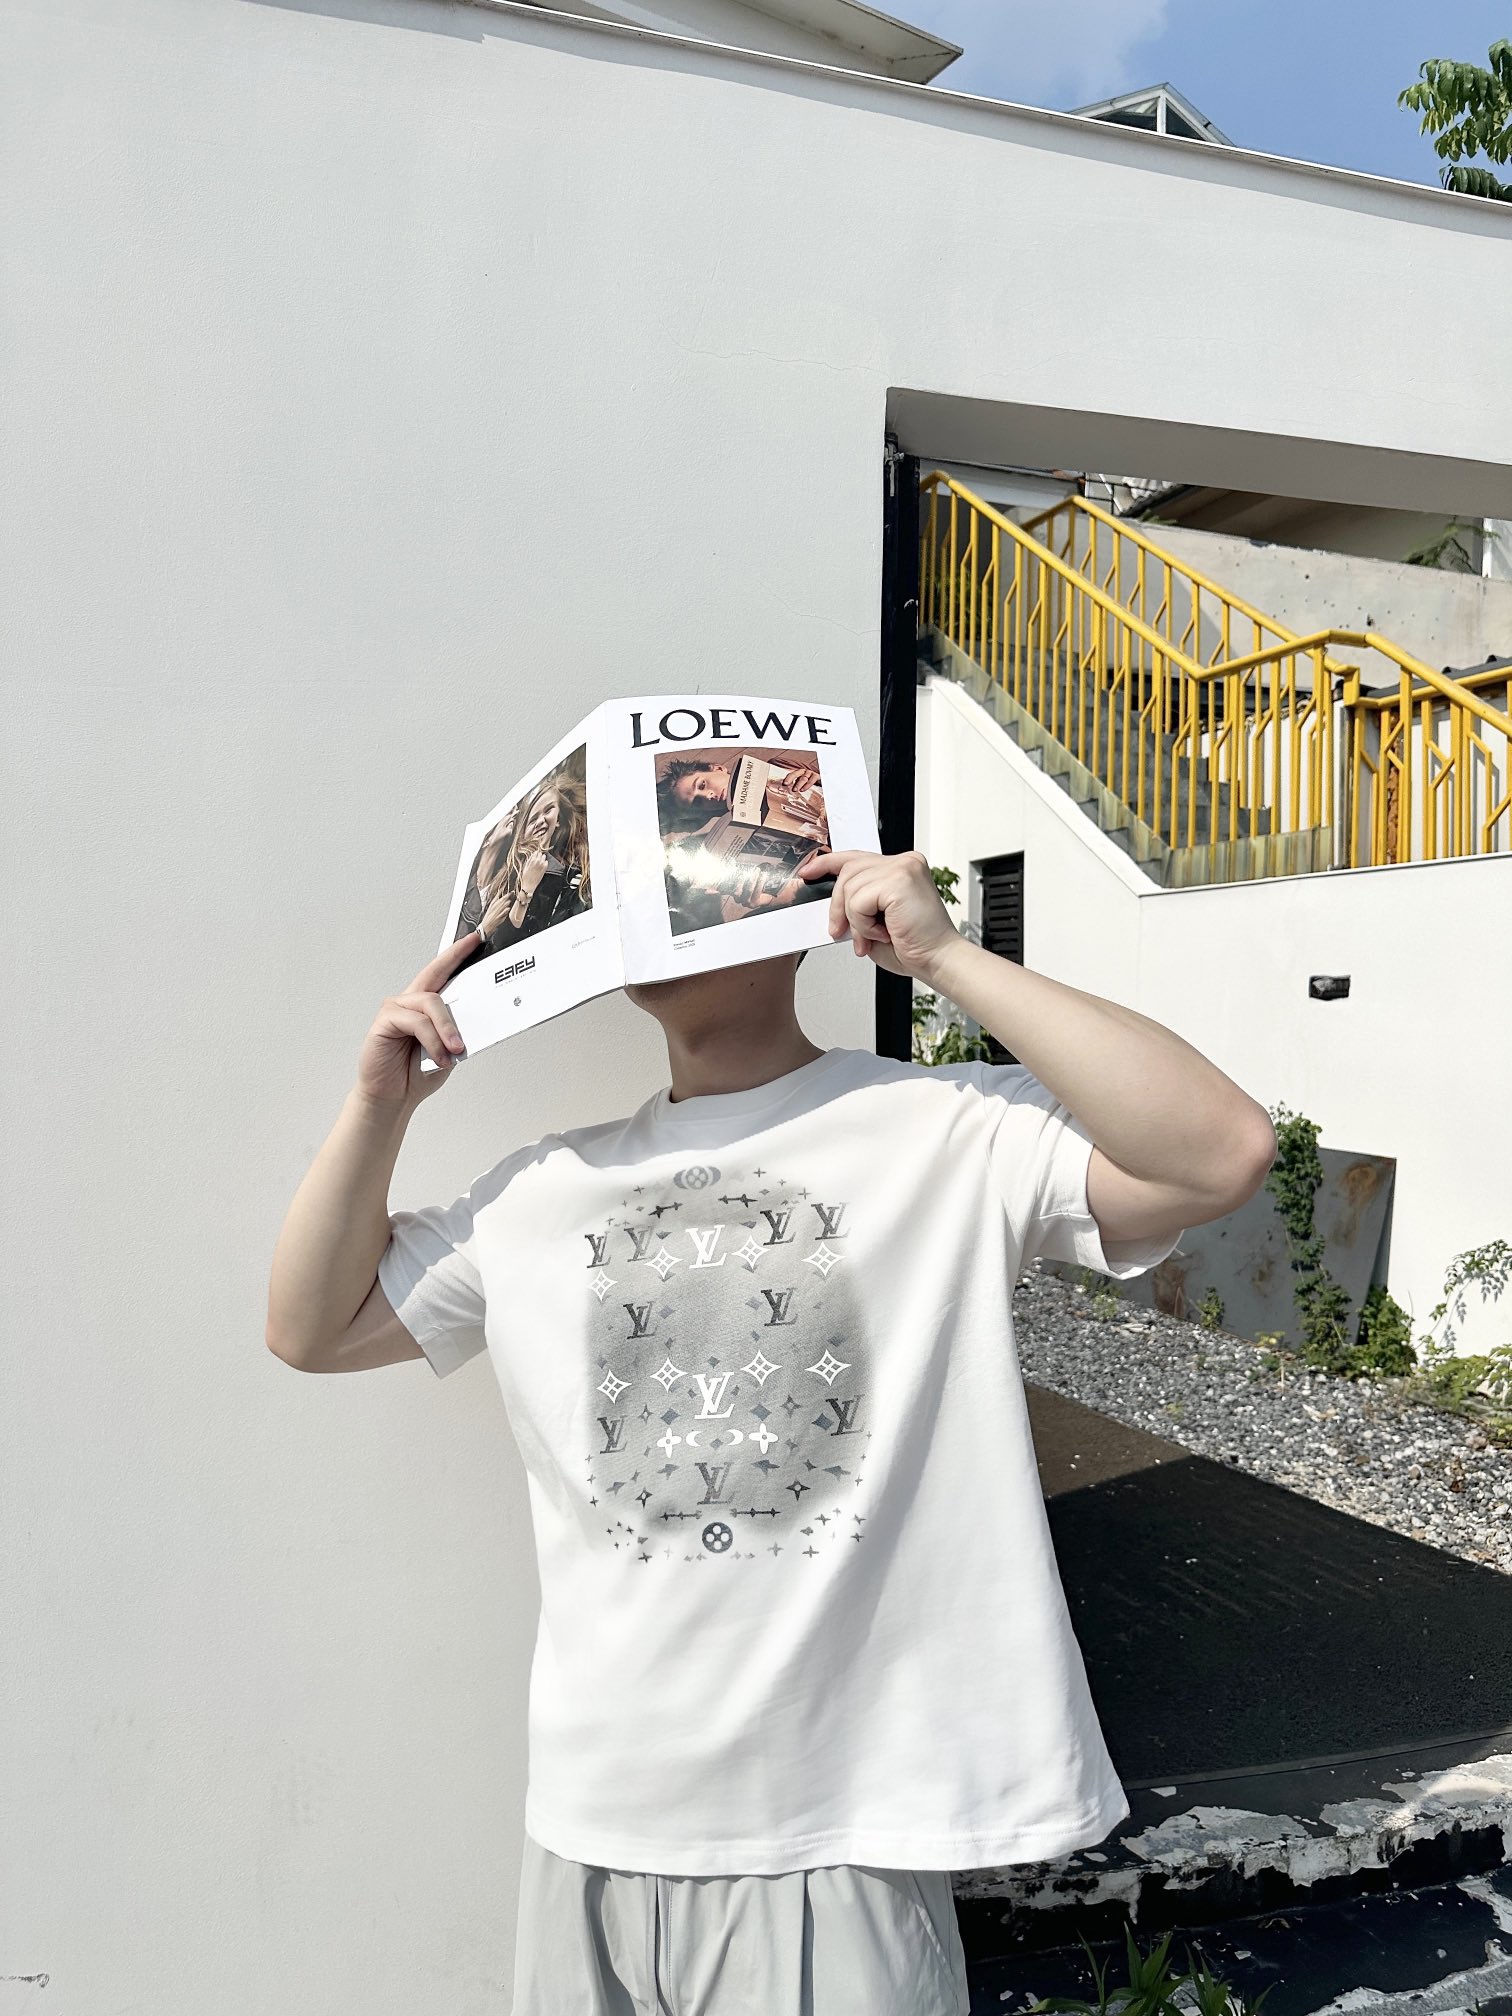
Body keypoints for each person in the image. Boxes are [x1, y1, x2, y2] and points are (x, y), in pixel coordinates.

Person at [265, 846, 1277, 2016]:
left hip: (833, 1833)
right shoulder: (540, 1189)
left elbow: (1221, 1153)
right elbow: (312, 1328)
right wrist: (379, 1107)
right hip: (590, 1826)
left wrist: (948, 958)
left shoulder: (942, 1127)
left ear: (802, 900)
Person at [452, 773, 591, 977]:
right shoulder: (513, 869)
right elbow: (502, 941)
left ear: (559, 819)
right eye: (533, 818)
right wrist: (527, 889)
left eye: (549, 810)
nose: (541, 821)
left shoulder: (569, 869)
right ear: (523, 830)